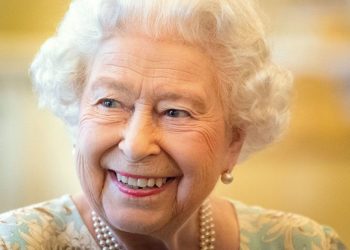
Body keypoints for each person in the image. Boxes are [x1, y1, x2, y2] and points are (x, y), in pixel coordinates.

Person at [0, 0, 347, 249]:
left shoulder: (302, 244)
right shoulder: (16, 243)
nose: (136, 145)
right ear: (77, 117)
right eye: (109, 103)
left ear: (233, 141)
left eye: (175, 112)